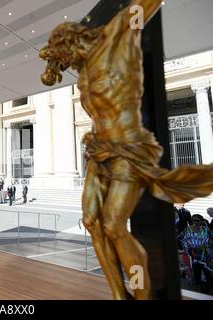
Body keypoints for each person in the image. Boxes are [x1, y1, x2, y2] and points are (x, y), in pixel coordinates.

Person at [39, 0, 213, 299]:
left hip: (127, 148)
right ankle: (120, 295)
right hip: (98, 150)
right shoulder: (84, 70)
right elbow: (54, 69)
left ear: (72, 43)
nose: (67, 64)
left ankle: (143, 295)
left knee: (113, 225)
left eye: (64, 57)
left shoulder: (115, 37)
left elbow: (142, 6)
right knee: (93, 223)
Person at [180, 214, 213, 294]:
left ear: (202, 221)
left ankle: (210, 291)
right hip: (193, 255)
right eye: (193, 220)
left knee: (207, 273)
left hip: (205, 256)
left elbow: (212, 241)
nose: (195, 222)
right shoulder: (188, 229)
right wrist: (186, 248)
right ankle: (199, 291)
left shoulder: (206, 230)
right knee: (196, 273)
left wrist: (206, 246)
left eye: (197, 220)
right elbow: (180, 237)